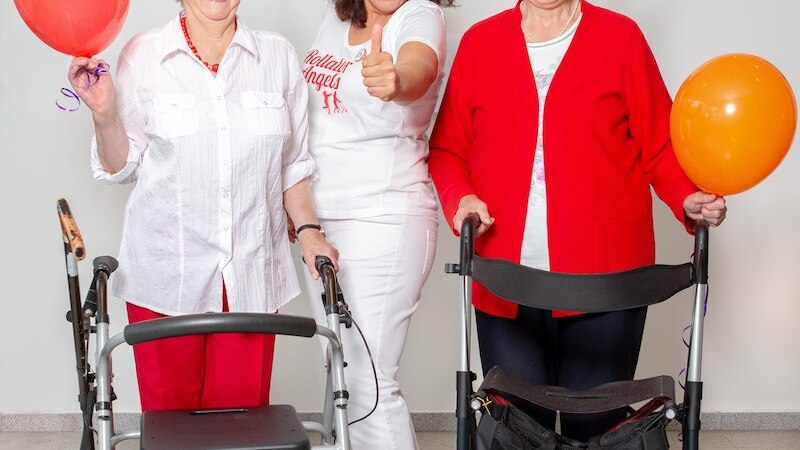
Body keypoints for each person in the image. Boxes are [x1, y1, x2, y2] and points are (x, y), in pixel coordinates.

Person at [428, 0, 727, 441]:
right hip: (506, 276)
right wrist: (461, 198)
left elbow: (661, 145)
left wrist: (687, 198)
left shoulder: (620, 38)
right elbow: (447, 151)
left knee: (596, 425)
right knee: (519, 428)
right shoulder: (480, 43)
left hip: (606, 277)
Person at [67, 0, 338, 412]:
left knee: (242, 427)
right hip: (164, 278)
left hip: (252, 277)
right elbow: (121, 167)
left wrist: (309, 231)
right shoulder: (142, 54)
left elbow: (292, 166)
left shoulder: (278, 56)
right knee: (170, 431)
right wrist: (105, 115)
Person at [298, 0, 451, 447]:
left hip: (384, 217)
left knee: (368, 383)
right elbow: (317, 121)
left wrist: (397, 79)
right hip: (322, 223)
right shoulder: (337, 17)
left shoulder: (420, 16)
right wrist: (303, 213)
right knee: (341, 369)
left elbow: (417, 66)